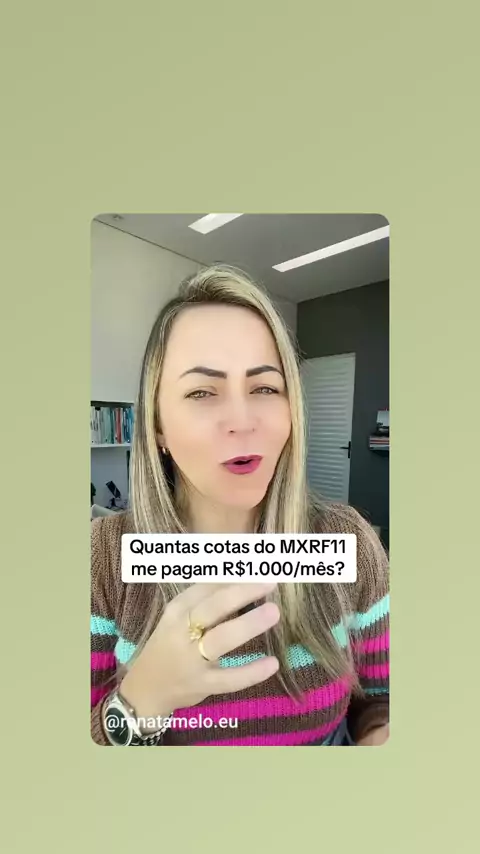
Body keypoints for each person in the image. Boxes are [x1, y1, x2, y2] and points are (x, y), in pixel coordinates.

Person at [91, 265, 389, 746]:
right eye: (202, 392)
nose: (242, 420)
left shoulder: (350, 543)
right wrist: (138, 702)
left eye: (265, 388)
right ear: (157, 425)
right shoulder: (100, 561)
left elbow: (382, 699)